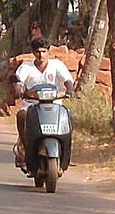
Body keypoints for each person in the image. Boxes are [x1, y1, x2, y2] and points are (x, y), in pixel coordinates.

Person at [11, 36, 74, 167]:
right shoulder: (26, 67)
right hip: (32, 106)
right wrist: (19, 89)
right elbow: (19, 82)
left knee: (69, 116)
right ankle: (25, 148)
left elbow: (67, 80)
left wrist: (70, 89)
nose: (41, 55)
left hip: (55, 105)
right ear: (33, 53)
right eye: (38, 52)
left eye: (44, 51)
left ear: (48, 51)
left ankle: (66, 152)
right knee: (21, 116)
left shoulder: (56, 65)